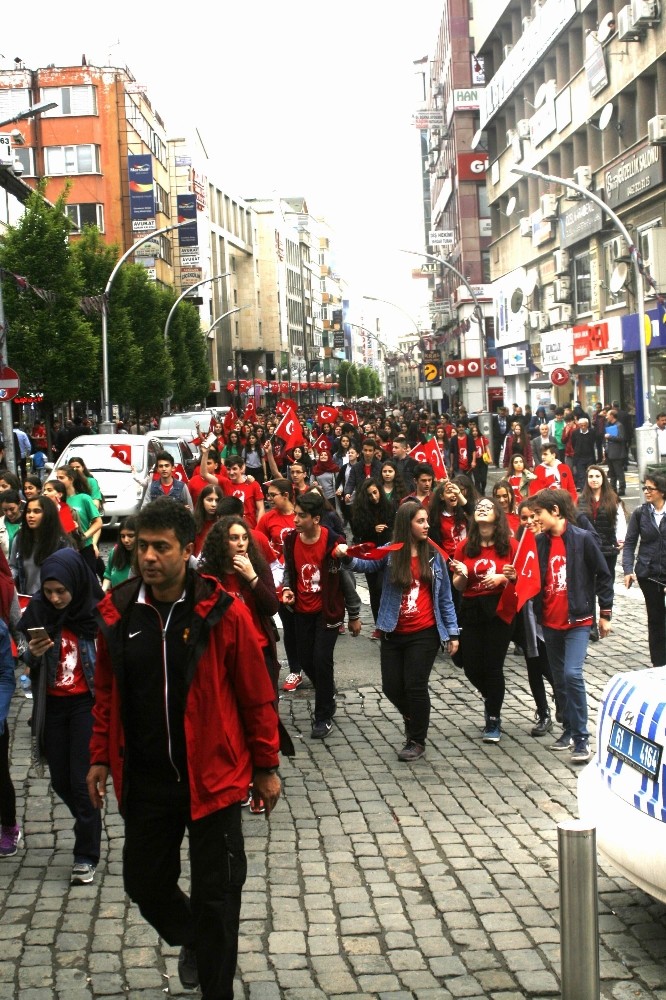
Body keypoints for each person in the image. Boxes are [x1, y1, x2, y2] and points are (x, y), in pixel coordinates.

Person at [87, 499, 281, 998]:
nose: (148, 557)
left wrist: (266, 766)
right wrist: (100, 756)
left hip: (214, 777)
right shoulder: (120, 611)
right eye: (141, 545)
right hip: (150, 778)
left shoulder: (221, 610)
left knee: (218, 896)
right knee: (143, 881)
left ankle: (216, 984)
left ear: (187, 550)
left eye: (160, 547)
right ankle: (196, 938)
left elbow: (255, 693)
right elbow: (106, 690)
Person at [347, 502, 459, 761]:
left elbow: (445, 599)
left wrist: (452, 633)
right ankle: (414, 717)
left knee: (415, 685)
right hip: (393, 629)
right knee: (391, 687)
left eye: (427, 520)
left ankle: (416, 739)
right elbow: (363, 564)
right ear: (406, 524)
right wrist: (343, 555)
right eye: (420, 521)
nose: (426, 525)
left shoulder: (434, 555)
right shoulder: (391, 552)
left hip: (425, 632)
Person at [19, 550, 103, 883]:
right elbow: (27, 660)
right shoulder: (39, 611)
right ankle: (89, 818)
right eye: (49, 590)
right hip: (52, 705)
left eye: (60, 591)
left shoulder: (93, 614)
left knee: (82, 781)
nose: (54, 598)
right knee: (59, 780)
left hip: (86, 704)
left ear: (75, 585)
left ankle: (86, 854)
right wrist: (33, 654)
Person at [531, 489, 613, 763]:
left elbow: (603, 574)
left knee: (572, 674)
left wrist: (605, 613)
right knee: (559, 680)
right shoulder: (539, 542)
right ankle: (567, 729)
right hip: (550, 623)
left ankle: (581, 738)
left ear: (555, 510)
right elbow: (532, 578)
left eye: (539, 513)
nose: (536, 519)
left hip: (578, 620)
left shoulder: (582, 539)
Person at [281, 491, 360, 738]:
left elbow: (346, 579)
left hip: (328, 611)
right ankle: (327, 690)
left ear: (315, 519)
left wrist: (354, 614)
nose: (295, 520)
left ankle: (323, 716)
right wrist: (286, 589)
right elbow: (289, 570)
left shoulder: (332, 543)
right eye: (295, 514)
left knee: (321, 659)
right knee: (305, 659)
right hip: (301, 611)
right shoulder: (292, 540)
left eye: (301, 516)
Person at [450, 497, 518, 743]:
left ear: (497, 516)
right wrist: (462, 575)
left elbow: (521, 577)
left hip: (499, 609)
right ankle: (493, 697)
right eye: (478, 507)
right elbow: (458, 586)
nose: (482, 508)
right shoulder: (465, 546)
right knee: (469, 664)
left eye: (488, 507)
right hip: (471, 608)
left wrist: (503, 578)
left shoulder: (510, 544)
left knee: (493, 665)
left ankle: (493, 719)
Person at [514, 500, 557, 736]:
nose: (529, 521)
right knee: (533, 664)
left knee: (550, 663)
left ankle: (560, 696)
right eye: (524, 518)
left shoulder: (551, 542)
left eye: (533, 516)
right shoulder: (518, 544)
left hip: (550, 614)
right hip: (527, 614)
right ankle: (543, 712)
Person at [256, 479, 302, 692]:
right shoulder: (267, 519)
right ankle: (295, 669)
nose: (269, 498)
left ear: (286, 495)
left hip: (304, 579)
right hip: (281, 583)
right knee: (290, 628)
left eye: (273, 494)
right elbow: (257, 544)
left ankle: (312, 666)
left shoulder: (300, 516)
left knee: (307, 628)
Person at [622, 473, 666, 668]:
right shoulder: (641, 513)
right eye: (645, 488)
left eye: (651, 489)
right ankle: (659, 663)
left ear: (662, 491)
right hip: (648, 574)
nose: (646, 492)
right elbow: (630, 542)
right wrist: (628, 569)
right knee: (655, 619)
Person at [350, 478, 395, 637]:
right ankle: (379, 625)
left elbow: (394, 526)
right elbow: (357, 531)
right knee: (375, 589)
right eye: (370, 495)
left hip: (387, 551)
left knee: (386, 587)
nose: (374, 497)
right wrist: (373, 529)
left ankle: (388, 622)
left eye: (375, 493)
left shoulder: (388, 507)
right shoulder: (361, 511)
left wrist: (386, 529)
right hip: (370, 555)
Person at [10, 494, 75, 595]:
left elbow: (70, 575)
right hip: (26, 598)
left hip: (53, 600)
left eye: (37, 511)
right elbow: (13, 566)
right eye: (28, 511)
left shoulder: (62, 543)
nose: (30, 515)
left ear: (48, 514)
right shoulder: (19, 539)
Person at [55, 466, 104, 575]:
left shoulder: (84, 498)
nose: (58, 481)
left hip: (85, 547)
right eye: (57, 477)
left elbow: (98, 522)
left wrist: (84, 536)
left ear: (71, 479)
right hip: (66, 550)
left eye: (61, 478)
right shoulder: (58, 502)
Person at [221, 457, 265, 528]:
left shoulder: (253, 484)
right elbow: (204, 474)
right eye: (228, 469)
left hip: (250, 527)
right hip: (231, 527)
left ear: (241, 469)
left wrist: (258, 528)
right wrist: (205, 454)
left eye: (234, 469)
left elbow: (261, 509)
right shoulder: (225, 483)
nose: (231, 472)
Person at [102, 517, 137, 592]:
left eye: (130, 536)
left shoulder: (144, 557)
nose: (126, 540)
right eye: (123, 536)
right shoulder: (115, 551)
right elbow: (108, 575)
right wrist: (103, 590)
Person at [192, 484, 223, 557]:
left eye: (217, 500)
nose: (214, 504)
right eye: (209, 500)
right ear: (202, 501)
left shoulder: (223, 524)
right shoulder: (193, 523)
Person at [604, 409, 627, 497]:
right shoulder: (609, 425)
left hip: (617, 453)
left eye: (608, 415)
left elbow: (621, 438)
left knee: (619, 472)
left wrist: (610, 437)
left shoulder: (619, 425)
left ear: (612, 416)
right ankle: (613, 489)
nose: (607, 417)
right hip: (610, 452)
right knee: (612, 472)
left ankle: (622, 489)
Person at [571, 418, 597, 491]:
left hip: (590, 457)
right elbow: (573, 444)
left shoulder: (592, 432)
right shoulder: (575, 433)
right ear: (579, 425)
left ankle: (591, 489)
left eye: (584, 425)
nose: (583, 427)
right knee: (581, 475)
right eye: (581, 425)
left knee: (590, 473)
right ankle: (584, 490)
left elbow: (593, 442)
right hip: (579, 458)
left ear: (587, 425)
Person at [470, 422, 491, 496]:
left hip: (483, 460)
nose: (475, 433)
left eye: (476, 431)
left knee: (483, 479)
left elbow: (487, 448)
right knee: (477, 479)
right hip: (475, 461)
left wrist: (490, 458)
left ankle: (483, 490)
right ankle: (478, 494)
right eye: (473, 431)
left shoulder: (482, 438)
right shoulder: (470, 440)